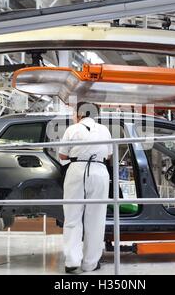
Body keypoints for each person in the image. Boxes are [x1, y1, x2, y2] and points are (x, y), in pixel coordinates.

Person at [59, 102, 112, 273]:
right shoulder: (104, 130)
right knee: (96, 219)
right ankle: (90, 263)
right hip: (99, 171)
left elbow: (62, 155)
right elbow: (109, 154)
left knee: (72, 216)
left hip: (76, 171)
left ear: (80, 113)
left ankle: (72, 261)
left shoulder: (72, 129)